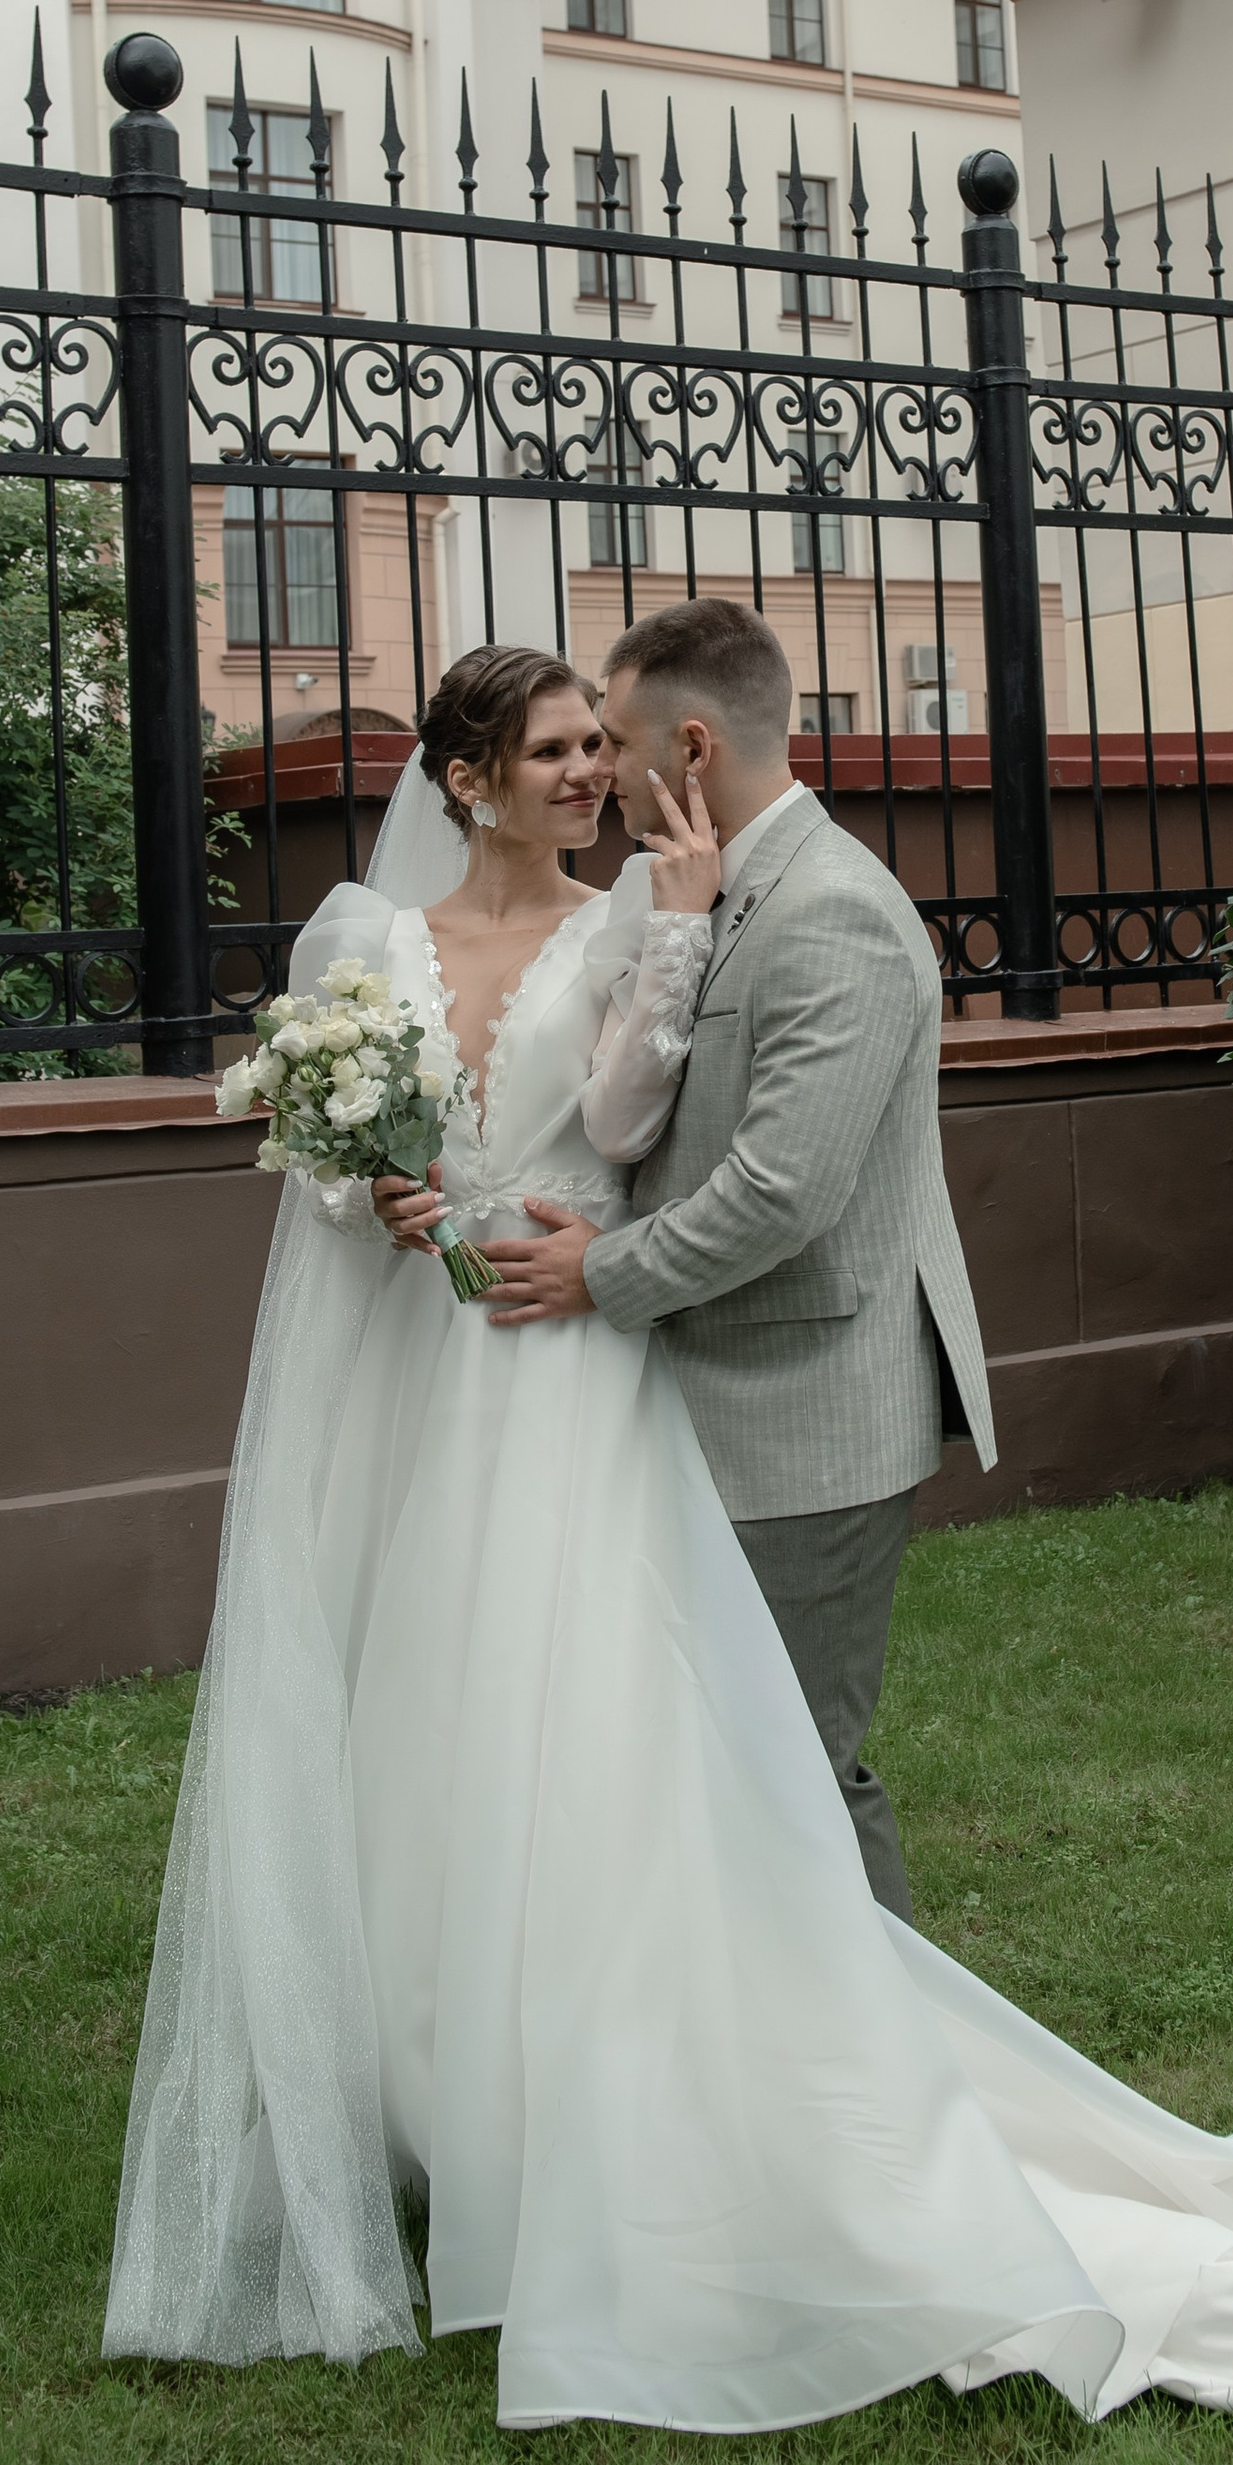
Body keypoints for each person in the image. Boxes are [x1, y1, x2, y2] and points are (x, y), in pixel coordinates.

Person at [104, 632, 1233, 2429]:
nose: (587, 773)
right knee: (428, 1725)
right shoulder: (362, 946)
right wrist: (379, 1181)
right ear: (462, 781)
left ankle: (823, 2113)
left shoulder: (701, 918)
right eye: (552, 750)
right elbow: (326, 1142)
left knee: (700, 1766)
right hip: (425, 1376)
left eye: (594, 742)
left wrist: (613, 1145)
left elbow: (667, 1146)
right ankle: (436, 2091)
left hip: (582, 1366)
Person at [464, 595, 989, 1919]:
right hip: (713, 1389)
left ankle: (894, 2079)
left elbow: (782, 1189)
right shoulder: (715, 888)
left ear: (689, 747)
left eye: (614, 740)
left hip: (807, 1403)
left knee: (794, 1768)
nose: (596, 770)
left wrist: (601, 1273)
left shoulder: (835, 914)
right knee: (721, 1759)